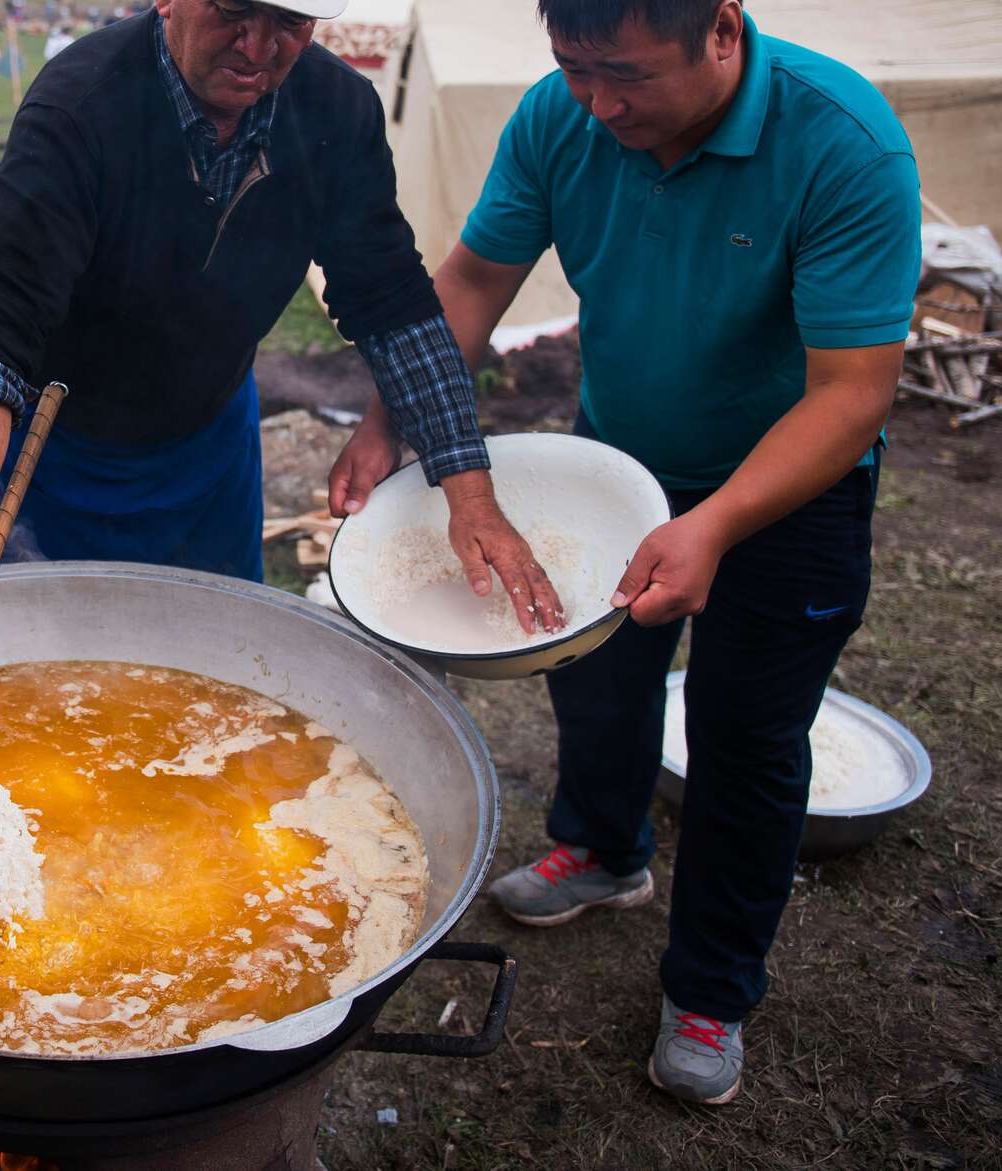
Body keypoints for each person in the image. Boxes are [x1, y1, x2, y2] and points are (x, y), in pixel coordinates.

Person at [374, 0, 918, 1107]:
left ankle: (712, 985)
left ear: (719, 31)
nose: (596, 102)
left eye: (623, 74)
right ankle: (602, 846)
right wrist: (396, 412)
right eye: (571, 68)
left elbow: (851, 392)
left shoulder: (840, 142)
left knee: (747, 736)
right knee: (593, 674)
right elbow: (477, 278)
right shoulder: (559, 114)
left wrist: (715, 522)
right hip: (620, 462)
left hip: (787, 491)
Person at [0, 1, 564, 697]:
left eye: (289, 24)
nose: (257, 47)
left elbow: (394, 303)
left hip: (211, 447)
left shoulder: (337, 110)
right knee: (51, 685)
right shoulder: (81, 107)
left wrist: (471, 492)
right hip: (57, 452)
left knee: (213, 677)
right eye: (233, 10)